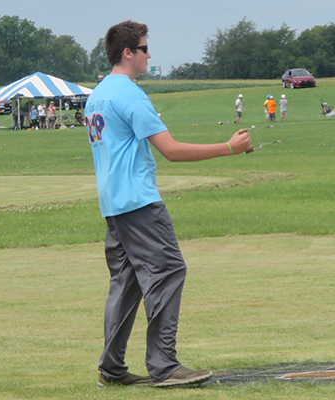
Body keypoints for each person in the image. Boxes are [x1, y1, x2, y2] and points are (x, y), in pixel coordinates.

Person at [85, 20, 252, 389]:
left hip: (113, 205)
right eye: (144, 48)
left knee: (126, 283)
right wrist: (228, 148)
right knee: (168, 271)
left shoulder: (97, 94)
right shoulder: (129, 94)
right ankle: (164, 365)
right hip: (139, 203)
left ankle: (111, 368)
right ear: (128, 53)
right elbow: (171, 151)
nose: (149, 54)